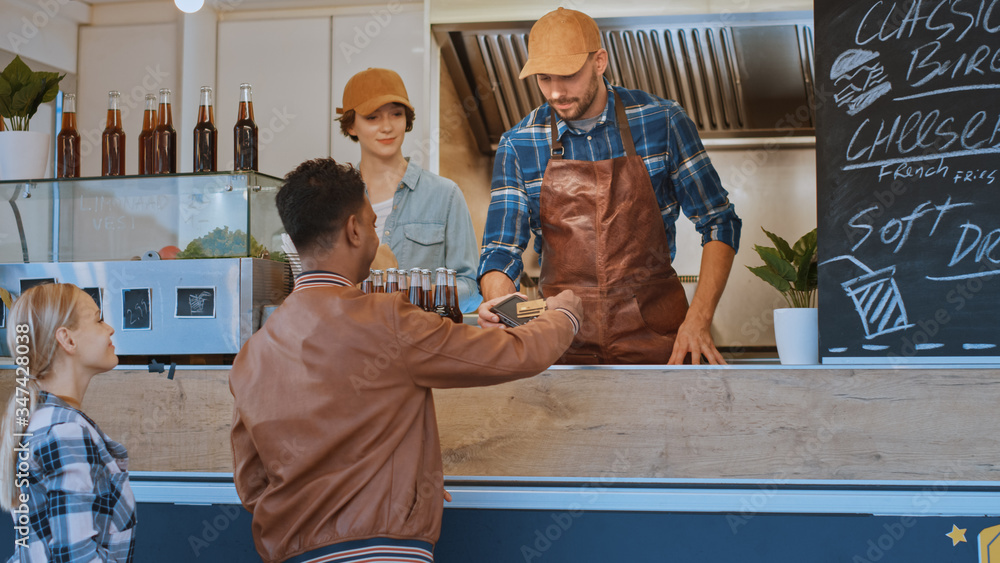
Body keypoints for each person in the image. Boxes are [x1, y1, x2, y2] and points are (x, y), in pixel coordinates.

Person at [229, 158, 581, 563]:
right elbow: (515, 354)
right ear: (354, 230)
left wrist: (406, 479)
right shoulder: (389, 319)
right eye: (374, 224)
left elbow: (253, 484)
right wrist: (566, 311)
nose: (377, 238)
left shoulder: (253, 353)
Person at [477, 7, 743, 365]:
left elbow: (719, 222)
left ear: (599, 61)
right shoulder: (519, 143)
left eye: (568, 75)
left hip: (658, 343)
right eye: (544, 78)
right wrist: (501, 307)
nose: (556, 92)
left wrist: (698, 320)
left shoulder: (662, 121)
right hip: (562, 344)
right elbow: (500, 250)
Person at [0, 283, 136, 562]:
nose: (110, 328)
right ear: (67, 340)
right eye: (98, 320)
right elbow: (76, 557)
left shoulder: (37, 418)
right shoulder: (66, 433)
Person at [338, 67, 483, 312]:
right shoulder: (336, 198)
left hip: (423, 344)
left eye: (396, 114)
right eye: (372, 117)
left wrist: (414, 289)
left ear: (407, 120)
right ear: (351, 125)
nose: (387, 127)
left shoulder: (445, 195)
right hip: (352, 341)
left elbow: (470, 289)